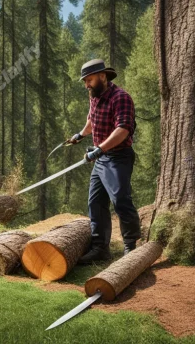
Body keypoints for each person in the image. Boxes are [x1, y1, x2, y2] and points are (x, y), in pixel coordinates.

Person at [67, 58, 141, 263]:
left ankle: (131, 246)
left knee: (120, 199)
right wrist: (80, 135)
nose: (86, 85)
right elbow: (92, 120)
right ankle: (100, 249)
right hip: (100, 158)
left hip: (118, 158)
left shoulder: (121, 97)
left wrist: (99, 149)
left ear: (102, 76)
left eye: (89, 80)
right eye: (84, 81)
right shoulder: (95, 96)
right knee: (96, 203)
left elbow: (123, 130)